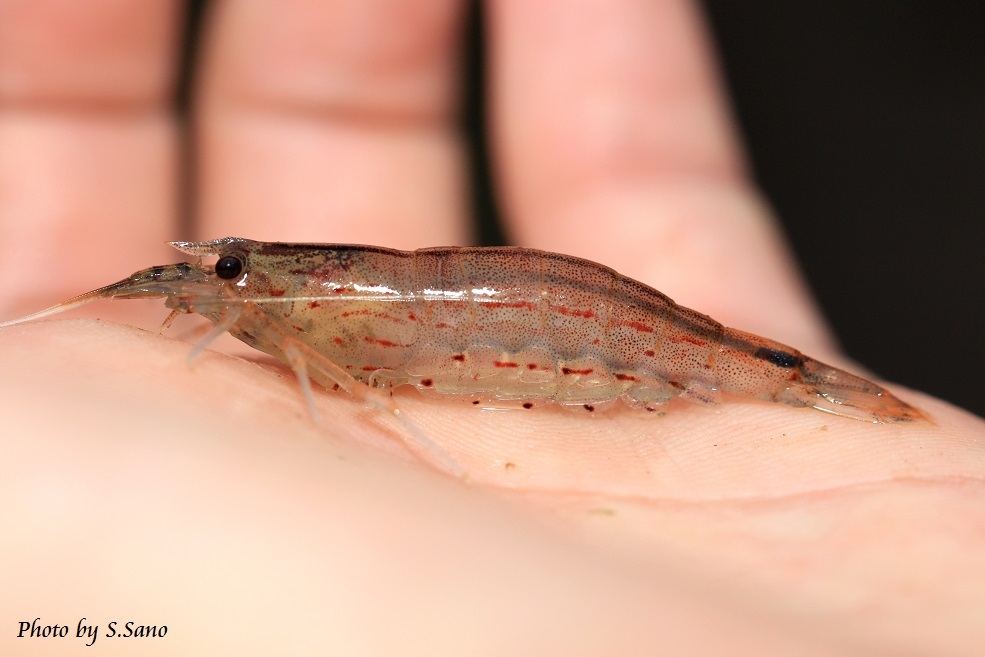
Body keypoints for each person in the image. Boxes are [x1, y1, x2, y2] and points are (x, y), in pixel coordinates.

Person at [1, 2, 982, 654]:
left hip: (587, 311)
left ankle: (782, 378)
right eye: (227, 271)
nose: (216, 288)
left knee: (699, 354)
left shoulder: (302, 307)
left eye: (227, 273)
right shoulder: (269, 295)